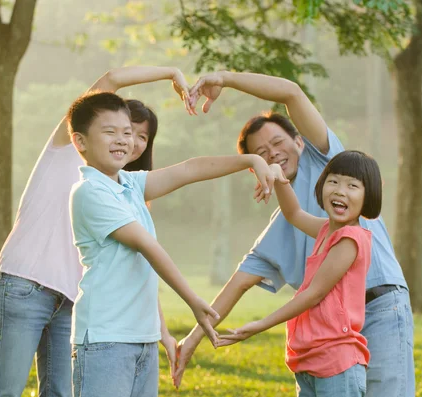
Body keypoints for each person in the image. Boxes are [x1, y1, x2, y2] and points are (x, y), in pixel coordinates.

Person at [175, 71, 415, 397]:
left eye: (277, 143)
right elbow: (238, 283)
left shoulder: (331, 165)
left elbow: (290, 92)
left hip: (381, 307)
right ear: (253, 168)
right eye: (261, 153)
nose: (272, 153)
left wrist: (224, 79)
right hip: (332, 336)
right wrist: (191, 341)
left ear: (299, 142)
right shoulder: (286, 223)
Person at [0, 66, 194, 397]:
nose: (129, 140)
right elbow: (110, 79)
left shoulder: (126, 187)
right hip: (24, 285)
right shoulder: (70, 145)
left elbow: (136, 268)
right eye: (123, 130)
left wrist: (163, 331)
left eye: (141, 136)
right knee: (4, 392)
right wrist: (171, 72)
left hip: (72, 299)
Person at [67, 90, 274, 397]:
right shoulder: (89, 193)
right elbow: (147, 246)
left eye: (127, 132)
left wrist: (251, 159)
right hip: (104, 340)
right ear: (80, 142)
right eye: (109, 132)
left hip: (142, 338)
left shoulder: (130, 185)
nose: (122, 140)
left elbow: (189, 169)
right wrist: (193, 301)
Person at [218, 151, 382, 397]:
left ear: (368, 196)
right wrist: (279, 177)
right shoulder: (327, 230)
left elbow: (314, 294)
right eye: (333, 181)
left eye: (352, 186)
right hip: (310, 359)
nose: (340, 191)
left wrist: (260, 325)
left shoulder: (351, 239)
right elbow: (293, 214)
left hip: (337, 361)